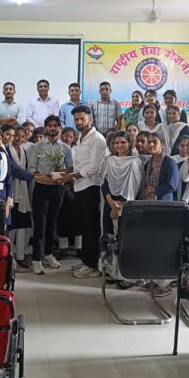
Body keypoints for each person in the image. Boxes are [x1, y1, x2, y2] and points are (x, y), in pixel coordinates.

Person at [63, 105, 106, 279]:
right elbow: (79, 162)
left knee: (91, 228)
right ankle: (87, 261)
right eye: (76, 119)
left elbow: (94, 167)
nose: (79, 122)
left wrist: (73, 176)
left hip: (91, 186)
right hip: (80, 186)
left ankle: (92, 265)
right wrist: (68, 173)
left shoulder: (97, 139)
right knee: (84, 226)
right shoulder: (80, 137)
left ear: (91, 119)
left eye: (82, 118)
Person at [27, 115, 73, 275]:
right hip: (41, 187)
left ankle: (48, 254)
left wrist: (61, 175)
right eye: (50, 125)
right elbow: (31, 169)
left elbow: (70, 168)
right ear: (46, 128)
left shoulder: (66, 148)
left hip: (58, 188)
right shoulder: (37, 147)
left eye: (55, 125)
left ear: (60, 128)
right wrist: (43, 177)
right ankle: (36, 259)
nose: (53, 128)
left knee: (52, 222)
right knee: (40, 223)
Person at [101, 132, 143, 236]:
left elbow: (134, 187)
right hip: (109, 202)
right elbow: (104, 182)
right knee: (108, 234)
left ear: (129, 143)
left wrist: (119, 207)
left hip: (126, 203)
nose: (119, 145)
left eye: (123, 142)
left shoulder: (135, 162)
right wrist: (110, 201)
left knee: (123, 235)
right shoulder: (109, 160)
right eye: (117, 143)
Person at [7, 125, 33, 269]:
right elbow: (14, 171)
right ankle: (10, 256)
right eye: (16, 135)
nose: (19, 139)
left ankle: (21, 255)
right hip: (12, 191)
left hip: (23, 190)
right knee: (11, 225)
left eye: (22, 136)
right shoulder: (6, 150)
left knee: (22, 224)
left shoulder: (24, 151)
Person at [140, 132, 179, 201]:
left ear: (162, 145)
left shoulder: (170, 163)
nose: (151, 144)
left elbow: (172, 185)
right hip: (148, 201)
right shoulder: (148, 164)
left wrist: (153, 189)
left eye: (155, 142)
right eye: (149, 142)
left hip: (164, 202)